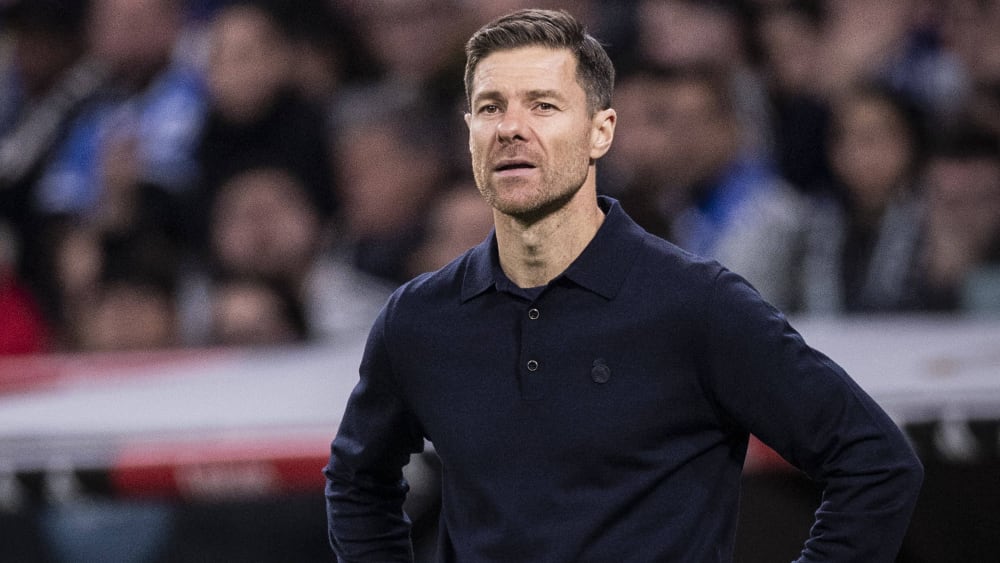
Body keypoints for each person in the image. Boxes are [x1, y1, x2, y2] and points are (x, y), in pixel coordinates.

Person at [324, 9, 923, 562]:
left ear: (600, 133)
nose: (510, 129)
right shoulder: (420, 318)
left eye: (543, 106)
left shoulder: (696, 304)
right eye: (490, 107)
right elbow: (357, 483)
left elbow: (875, 461)